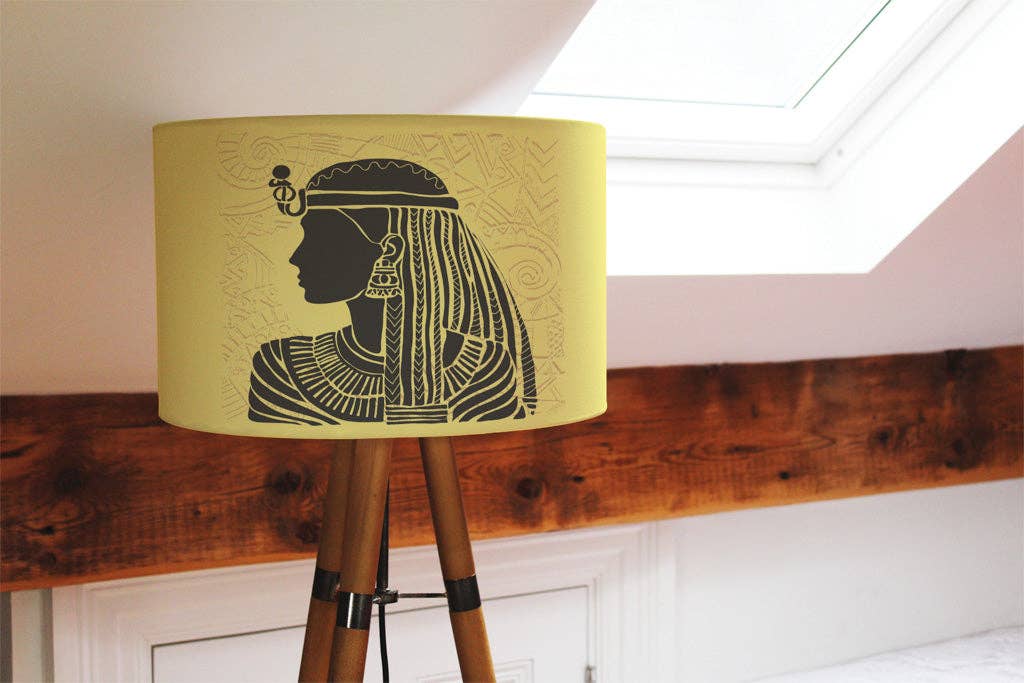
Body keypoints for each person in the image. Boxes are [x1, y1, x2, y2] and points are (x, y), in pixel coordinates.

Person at [247, 158, 537, 425]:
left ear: (389, 251)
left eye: (322, 239)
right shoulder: (281, 367)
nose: (296, 257)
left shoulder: (484, 369)